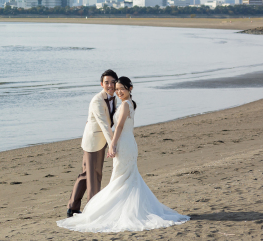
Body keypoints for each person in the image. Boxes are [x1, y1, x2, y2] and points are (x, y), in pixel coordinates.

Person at [57, 76, 190, 232]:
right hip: (126, 143)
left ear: (130, 89)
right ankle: (117, 208)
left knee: (121, 178)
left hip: (124, 144)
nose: (118, 91)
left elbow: (118, 127)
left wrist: (112, 145)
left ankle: (108, 210)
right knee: (126, 178)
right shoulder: (127, 103)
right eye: (117, 88)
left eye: (122, 88)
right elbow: (107, 121)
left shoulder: (126, 104)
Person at [65, 69, 118, 218]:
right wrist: (113, 145)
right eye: (107, 82)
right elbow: (103, 124)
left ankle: (72, 208)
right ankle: (93, 211)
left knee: (86, 174)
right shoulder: (97, 100)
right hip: (94, 141)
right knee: (94, 175)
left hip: (98, 139)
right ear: (102, 84)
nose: (110, 85)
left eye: (113, 82)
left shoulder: (113, 98)